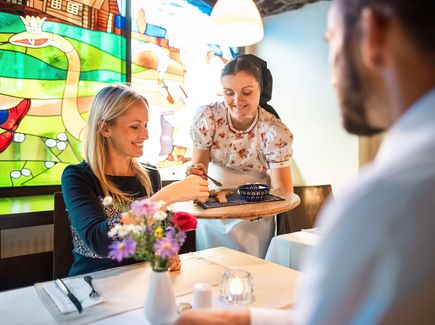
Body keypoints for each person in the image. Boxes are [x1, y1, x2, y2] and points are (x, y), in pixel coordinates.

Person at [174, 0, 435, 323]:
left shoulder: (384, 201)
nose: (332, 79)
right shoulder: (408, 178)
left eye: (331, 42)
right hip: (215, 205)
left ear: (373, 35)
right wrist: (249, 319)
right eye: (229, 93)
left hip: (256, 211)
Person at [62, 84, 209, 276]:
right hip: (93, 285)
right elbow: (99, 241)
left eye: (146, 125)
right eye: (135, 126)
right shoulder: (77, 177)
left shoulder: (150, 175)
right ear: (105, 128)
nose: (146, 135)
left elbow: (158, 234)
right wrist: (166, 196)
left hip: (141, 279)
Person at [188, 54, 294, 258]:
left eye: (246, 92)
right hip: (213, 210)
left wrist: (249, 208)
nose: (237, 101)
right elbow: (199, 172)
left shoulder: (273, 131)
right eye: (229, 92)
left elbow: (283, 191)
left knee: (252, 274)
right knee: (211, 269)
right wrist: (196, 175)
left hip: (255, 215)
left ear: (259, 90)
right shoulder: (208, 117)